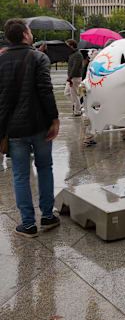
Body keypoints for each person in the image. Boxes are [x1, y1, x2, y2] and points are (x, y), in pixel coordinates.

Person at [0, 18, 60, 238]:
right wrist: (54, 119)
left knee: (20, 175)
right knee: (45, 168)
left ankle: (27, 224)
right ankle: (47, 216)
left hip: (14, 130)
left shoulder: (1, 60)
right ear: (25, 35)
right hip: (39, 126)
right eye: (30, 31)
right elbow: (45, 90)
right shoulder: (38, 58)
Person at [65, 39, 83, 116]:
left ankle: (77, 110)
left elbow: (75, 67)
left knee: (74, 94)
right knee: (67, 93)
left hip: (74, 77)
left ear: (71, 46)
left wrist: (70, 77)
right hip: (72, 77)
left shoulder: (77, 55)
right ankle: (78, 106)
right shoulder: (72, 54)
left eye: (67, 45)